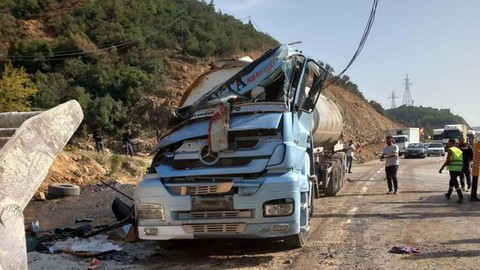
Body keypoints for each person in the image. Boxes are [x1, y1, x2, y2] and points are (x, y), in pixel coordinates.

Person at [439, 138, 464, 203]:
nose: (448, 144)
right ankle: (448, 194)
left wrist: (442, 168)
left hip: (453, 168)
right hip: (460, 168)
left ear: (452, 143)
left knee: (455, 182)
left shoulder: (450, 150)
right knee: (452, 181)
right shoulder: (459, 150)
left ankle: (461, 197)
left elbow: (448, 160)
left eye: (448, 143)